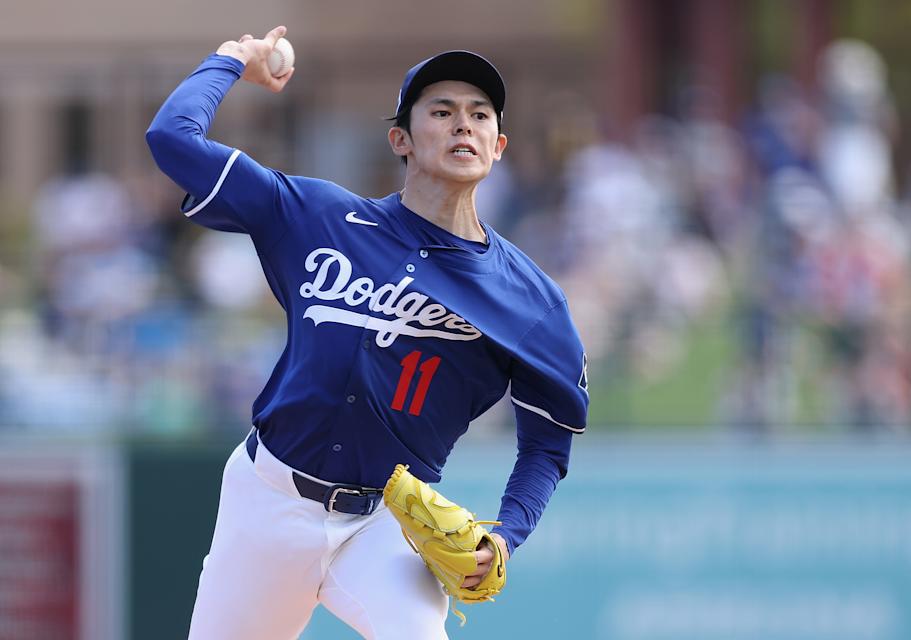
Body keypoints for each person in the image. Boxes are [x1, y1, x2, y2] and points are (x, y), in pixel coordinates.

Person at [146, 25, 589, 640]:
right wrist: (229, 61)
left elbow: (547, 446)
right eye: (442, 111)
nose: (464, 124)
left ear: (499, 144)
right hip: (267, 500)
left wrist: (506, 534)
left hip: (386, 525)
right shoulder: (319, 216)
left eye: (479, 114)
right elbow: (172, 139)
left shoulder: (533, 302)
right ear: (400, 139)